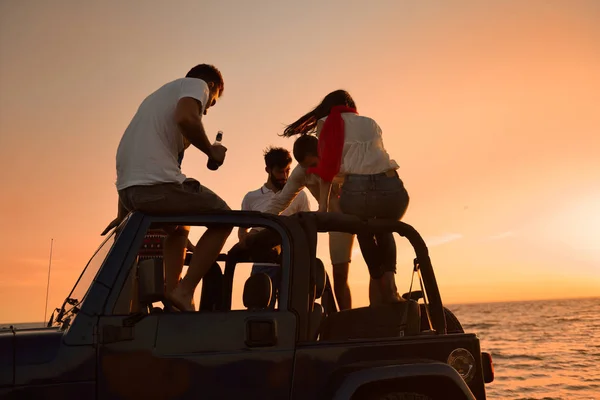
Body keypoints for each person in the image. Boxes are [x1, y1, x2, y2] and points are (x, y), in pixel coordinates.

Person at [113, 63, 232, 312]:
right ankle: (185, 291)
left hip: (130, 192)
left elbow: (134, 165)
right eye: (212, 103)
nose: (207, 111)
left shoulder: (155, 101)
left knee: (180, 227)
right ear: (211, 87)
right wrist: (211, 150)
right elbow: (186, 117)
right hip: (156, 187)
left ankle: (172, 297)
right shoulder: (196, 85)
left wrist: (122, 215)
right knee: (225, 217)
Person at [281, 90, 410, 305]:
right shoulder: (371, 123)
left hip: (355, 196)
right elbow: (375, 159)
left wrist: (322, 206)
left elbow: (328, 168)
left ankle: (380, 305)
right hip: (390, 186)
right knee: (382, 229)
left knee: (366, 231)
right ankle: (386, 292)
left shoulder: (326, 125)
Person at [261, 135, 359, 310]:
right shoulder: (301, 173)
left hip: (361, 215)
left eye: (313, 165)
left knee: (379, 269)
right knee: (339, 276)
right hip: (337, 224)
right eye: (306, 167)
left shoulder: (344, 161)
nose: (311, 170)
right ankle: (348, 321)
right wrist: (258, 226)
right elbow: (281, 201)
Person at [239, 147, 310, 308]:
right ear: (268, 170)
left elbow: (306, 229)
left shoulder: (300, 195)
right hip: (264, 264)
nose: (285, 176)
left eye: (288, 171)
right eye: (280, 172)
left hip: (292, 263)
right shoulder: (251, 197)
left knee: (294, 310)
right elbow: (242, 230)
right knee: (260, 312)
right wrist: (245, 240)